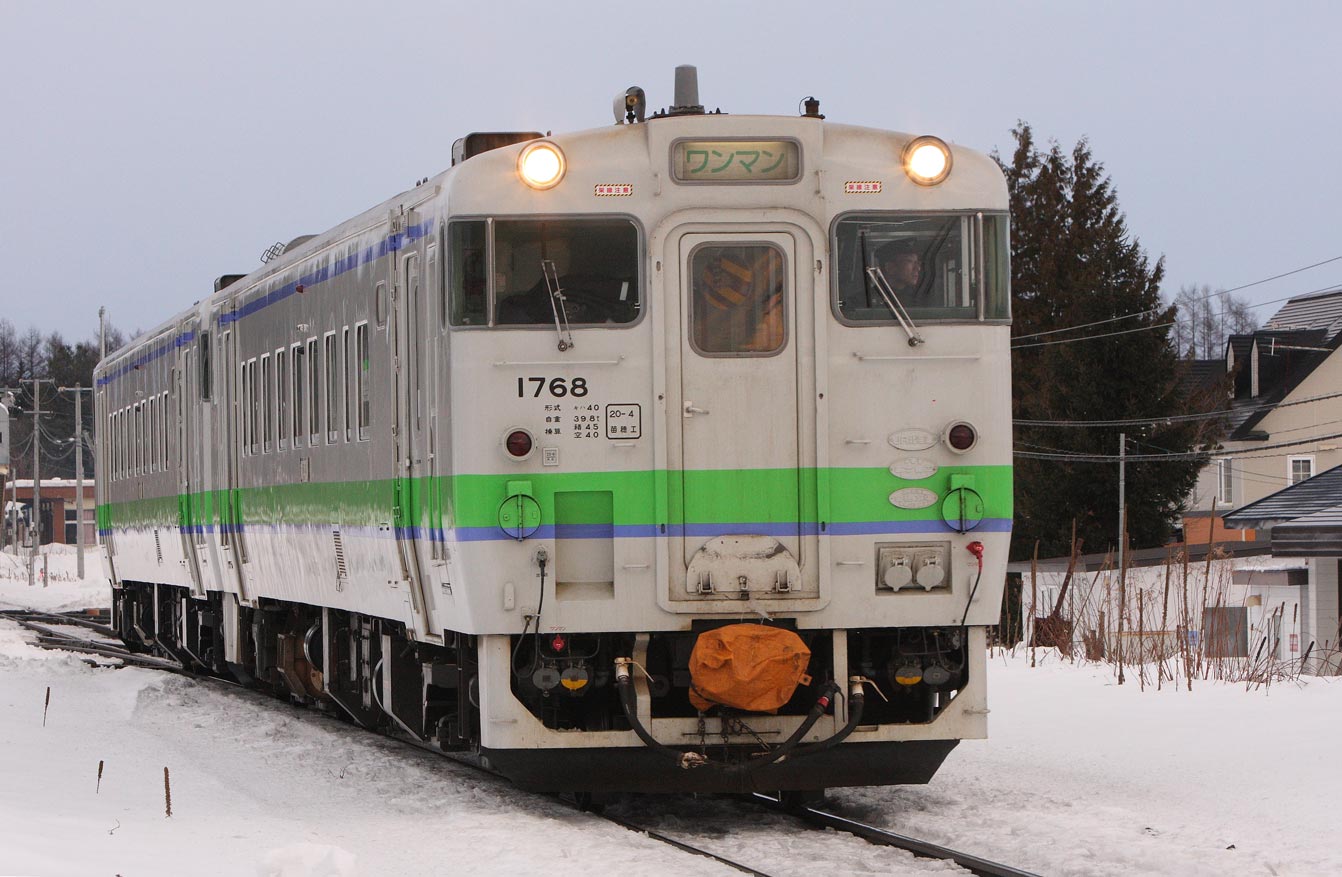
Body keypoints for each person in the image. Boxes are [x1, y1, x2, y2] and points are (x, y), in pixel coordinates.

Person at [869, 239, 932, 308]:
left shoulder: (920, 299)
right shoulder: (866, 301)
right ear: (890, 267)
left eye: (917, 262)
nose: (918, 268)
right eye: (910, 261)